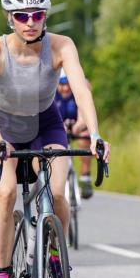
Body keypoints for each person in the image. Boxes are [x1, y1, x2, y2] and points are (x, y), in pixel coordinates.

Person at [0, 0, 111, 278]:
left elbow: (81, 89)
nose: (30, 22)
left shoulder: (61, 45)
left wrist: (94, 134)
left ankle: (56, 260)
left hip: (45, 123)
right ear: (10, 17)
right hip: (3, 126)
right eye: (22, 15)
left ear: (45, 15)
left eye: (37, 14)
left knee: (57, 192)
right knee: (6, 192)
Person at [54, 70, 94, 199]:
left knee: (86, 136)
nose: (65, 89)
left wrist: (79, 126)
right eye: (61, 84)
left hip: (76, 123)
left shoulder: (82, 86)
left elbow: (84, 113)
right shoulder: (49, 89)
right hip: (57, 124)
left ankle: (85, 176)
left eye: (68, 84)